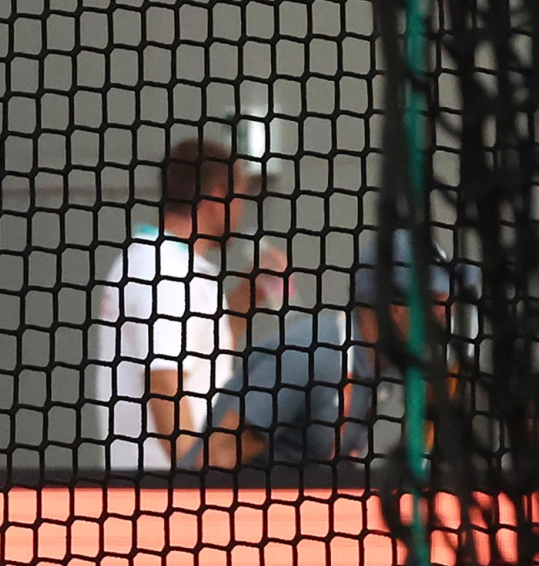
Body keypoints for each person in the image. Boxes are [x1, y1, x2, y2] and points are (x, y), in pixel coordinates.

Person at [86, 135, 287, 471]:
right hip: (164, 486)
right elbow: (164, 382)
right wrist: (192, 479)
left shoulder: (152, 260)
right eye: (239, 197)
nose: (241, 210)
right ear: (217, 196)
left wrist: (248, 295)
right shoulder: (167, 271)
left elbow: (205, 351)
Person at [198, 230, 462, 470]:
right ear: (395, 308)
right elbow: (211, 461)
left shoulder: (381, 365)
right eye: (436, 301)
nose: (446, 314)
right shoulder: (310, 356)